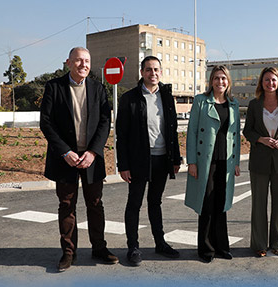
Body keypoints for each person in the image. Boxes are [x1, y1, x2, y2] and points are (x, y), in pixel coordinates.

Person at [40, 46, 118, 272]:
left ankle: (99, 248)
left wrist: (93, 152)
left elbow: (105, 122)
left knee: (95, 205)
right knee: (66, 206)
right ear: (68, 63)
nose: (84, 65)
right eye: (79, 61)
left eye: (87, 61)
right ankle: (68, 253)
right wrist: (65, 151)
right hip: (65, 159)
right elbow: (46, 123)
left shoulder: (98, 88)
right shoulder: (54, 87)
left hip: (91, 158)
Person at [116, 56, 181, 266]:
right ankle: (133, 247)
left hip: (162, 159)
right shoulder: (129, 98)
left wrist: (176, 157)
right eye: (149, 70)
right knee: (134, 203)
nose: (153, 73)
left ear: (161, 72)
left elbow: (172, 130)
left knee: (156, 202)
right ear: (142, 72)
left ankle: (160, 243)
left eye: (156, 70)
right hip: (138, 160)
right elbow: (122, 135)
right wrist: (123, 165)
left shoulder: (167, 96)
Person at [185, 65, 241, 262]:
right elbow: (191, 131)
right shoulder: (201, 101)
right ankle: (206, 249)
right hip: (204, 161)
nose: (220, 82)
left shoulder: (233, 104)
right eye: (217, 78)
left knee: (221, 204)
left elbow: (236, 136)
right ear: (211, 81)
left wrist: (236, 162)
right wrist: (191, 162)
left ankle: (222, 247)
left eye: (224, 79)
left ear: (228, 81)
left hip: (225, 161)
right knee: (206, 204)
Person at [243, 66, 278, 257]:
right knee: (258, 203)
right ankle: (259, 245)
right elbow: (247, 130)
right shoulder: (254, 104)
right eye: (267, 80)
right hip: (259, 160)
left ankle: (277, 242)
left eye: (274, 80)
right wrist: (261, 139)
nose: (270, 83)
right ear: (261, 82)